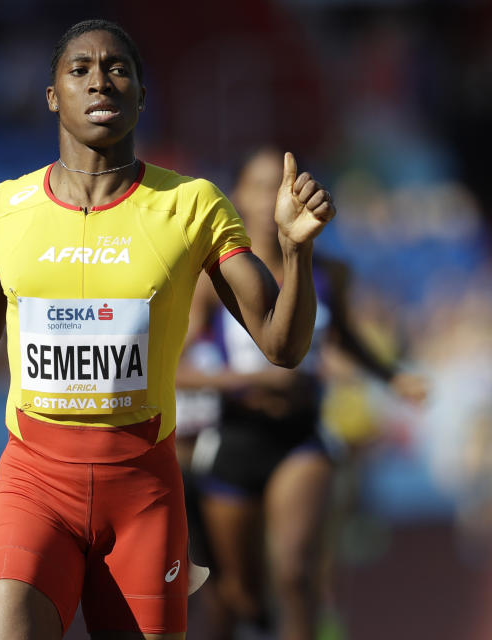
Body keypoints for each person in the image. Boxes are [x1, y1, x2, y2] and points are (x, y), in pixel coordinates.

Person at [0, 20, 336, 640]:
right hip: (34, 483)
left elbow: (282, 346)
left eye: (118, 68)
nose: (100, 80)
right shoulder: (2, 209)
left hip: (143, 494)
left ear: (141, 94)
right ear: (52, 94)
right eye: (80, 69)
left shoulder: (192, 205)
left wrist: (296, 252)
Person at [177, 147, 426, 640]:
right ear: (238, 197)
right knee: (239, 596)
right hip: (233, 437)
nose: (272, 197)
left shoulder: (328, 274)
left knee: (295, 572)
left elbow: (344, 337)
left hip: (300, 435)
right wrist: (252, 380)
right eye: (259, 185)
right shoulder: (214, 276)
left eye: (282, 185)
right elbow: (174, 369)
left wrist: (390, 375)